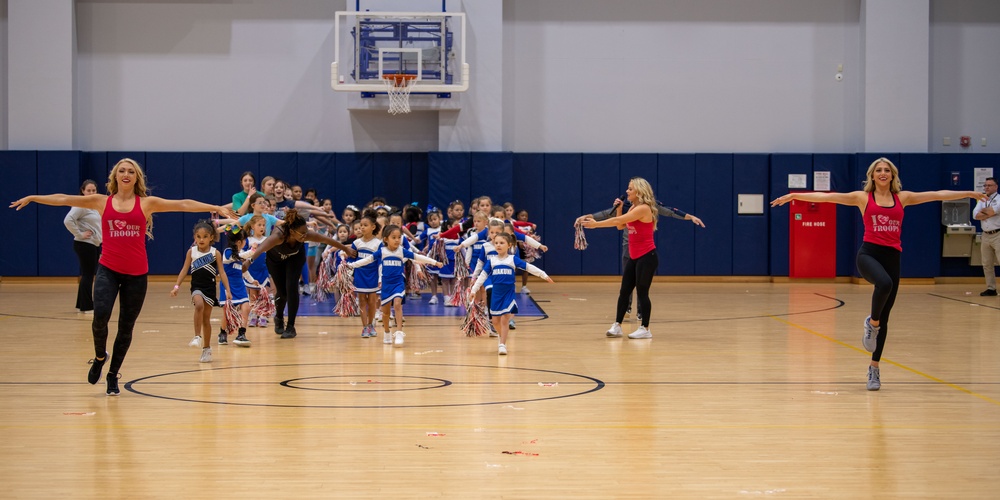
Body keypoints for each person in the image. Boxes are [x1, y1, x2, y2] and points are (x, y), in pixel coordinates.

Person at [10, 158, 235, 395]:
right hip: (108, 268)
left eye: (130, 171)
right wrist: (34, 197)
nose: (126, 174)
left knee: (126, 328)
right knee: (100, 319)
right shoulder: (101, 201)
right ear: (115, 176)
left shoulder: (147, 203)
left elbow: (183, 204)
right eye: (121, 171)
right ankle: (99, 357)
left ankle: (112, 374)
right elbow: (64, 198)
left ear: (136, 177)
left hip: (136, 275)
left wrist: (216, 207)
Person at [770, 157, 987, 391]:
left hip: (893, 257)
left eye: (887, 170)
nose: (883, 173)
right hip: (868, 255)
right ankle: (871, 324)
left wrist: (969, 193)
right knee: (883, 284)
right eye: (878, 170)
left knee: (886, 318)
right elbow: (828, 197)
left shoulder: (902, 198)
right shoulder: (862, 198)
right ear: (872, 175)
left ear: (892, 175)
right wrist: (794, 196)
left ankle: (874, 369)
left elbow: (936, 194)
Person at [582, 177, 704, 340]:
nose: (627, 191)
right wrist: (618, 208)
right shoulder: (633, 207)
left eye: (630, 189)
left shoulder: (644, 209)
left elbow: (619, 221)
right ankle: (617, 325)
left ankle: (645, 328)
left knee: (642, 292)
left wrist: (596, 224)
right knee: (624, 291)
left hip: (647, 257)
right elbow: (620, 225)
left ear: (639, 191)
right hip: (634, 256)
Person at [243, 209, 356, 339]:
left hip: (295, 258)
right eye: (302, 233)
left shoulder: (305, 234)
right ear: (291, 231)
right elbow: (261, 248)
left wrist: (346, 248)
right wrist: (248, 262)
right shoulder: (279, 235)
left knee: (292, 289)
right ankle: (279, 317)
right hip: (275, 260)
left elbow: (326, 239)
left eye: (306, 232)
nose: (305, 236)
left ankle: (291, 326)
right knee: (282, 292)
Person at [349, 224, 443, 346]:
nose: (397, 240)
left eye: (399, 237)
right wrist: (351, 265)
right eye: (394, 237)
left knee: (398, 304)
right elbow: (366, 260)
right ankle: (387, 332)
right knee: (386, 313)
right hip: (386, 285)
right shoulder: (381, 252)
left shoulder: (402, 251)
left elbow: (417, 257)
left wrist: (435, 262)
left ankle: (399, 332)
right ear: (386, 239)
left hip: (398, 283)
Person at [470, 232, 553, 355]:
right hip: (496, 294)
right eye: (496, 243)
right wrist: (473, 290)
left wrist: (543, 275)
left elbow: (529, 267)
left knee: (504, 319)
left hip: (508, 293)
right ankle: (501, 336)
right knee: (495, 321)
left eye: (502, 243)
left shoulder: (512, 259)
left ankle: (502, 344)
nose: (498, 245)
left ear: (509, 245)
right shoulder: (491, 261)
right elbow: (482, 276)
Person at [169, 221, 233, 362]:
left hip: (209, 288)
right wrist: (176, 287)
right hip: (196, 287)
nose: (201, 239)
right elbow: (184, 269)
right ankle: (197, 336)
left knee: (206, 320)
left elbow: (222, 273)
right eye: (198, 236)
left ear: (211, 237)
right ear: (195, 237)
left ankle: (207, 349)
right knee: (198, 305)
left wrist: (228, 290)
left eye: (205, 236)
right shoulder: (191, 252)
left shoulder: (215, 253)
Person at [63, 179, 102, 313]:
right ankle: (87, 306)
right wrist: (79, 234)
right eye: (89, 190)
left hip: (94, 244)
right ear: (83, 191)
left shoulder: (95, 206)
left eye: (94, 190)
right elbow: (68, 220)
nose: (91, 192)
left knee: (89, 274)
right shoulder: (81, 205)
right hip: (85, 244)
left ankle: (82, 304)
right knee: (88, 275)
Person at [973, 176, 1000, 296]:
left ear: (996, 187)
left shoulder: (999, 199)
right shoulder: (982, 200)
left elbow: (993, 211)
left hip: (998, 234)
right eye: (985, 185)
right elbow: (975, 215)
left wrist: (985, 213)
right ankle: (991, 288)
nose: (986, 187)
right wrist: (988, 213)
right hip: (986, 235)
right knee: (987, 263)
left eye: (989, 185)